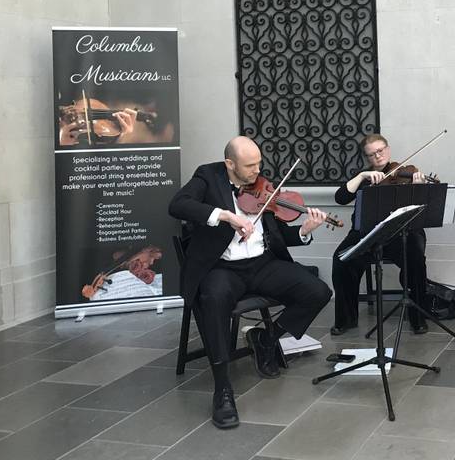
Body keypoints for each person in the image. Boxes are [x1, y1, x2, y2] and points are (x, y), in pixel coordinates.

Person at [169, 136, 332, 429]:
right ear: (230, 163)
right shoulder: (208, 176)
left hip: (262, 264)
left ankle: (266, 339)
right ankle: (223, 390)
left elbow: (281, 234)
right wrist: (226, 216)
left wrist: (305, 230)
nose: (257, 170)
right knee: (214, 300)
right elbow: (178, 205)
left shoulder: (263, 187)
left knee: (317, 291)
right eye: (249, 166)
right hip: (223, 269)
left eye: (259, 163)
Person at [330, 133, 430, 336]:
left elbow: (422, 206)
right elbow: (340, 198)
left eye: (380, 151)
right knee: (341, 259)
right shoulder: (365, 178)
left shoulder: (407, 172)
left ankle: (418, 317)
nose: (377, 156)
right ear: (367, 158)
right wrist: (361, 177)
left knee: (416, 258)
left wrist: (419, 187)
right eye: (371, 154)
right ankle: (346, 319)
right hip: (367, 233)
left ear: (388, 149)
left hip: (402, 231)